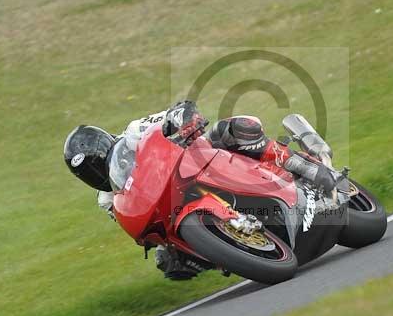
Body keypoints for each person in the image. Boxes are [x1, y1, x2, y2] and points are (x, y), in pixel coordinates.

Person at [64, 101, 338, 280]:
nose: (98, 174)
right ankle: (236, 248)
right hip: (172, 204)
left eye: (97, 165)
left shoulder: (135, 132)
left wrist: (184, 121)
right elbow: (138, 225)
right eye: (90, 173)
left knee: (228, 130)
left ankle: (303, 166)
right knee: (169, 263)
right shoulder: (107, 200)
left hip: (194, 161)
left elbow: (175, 114)